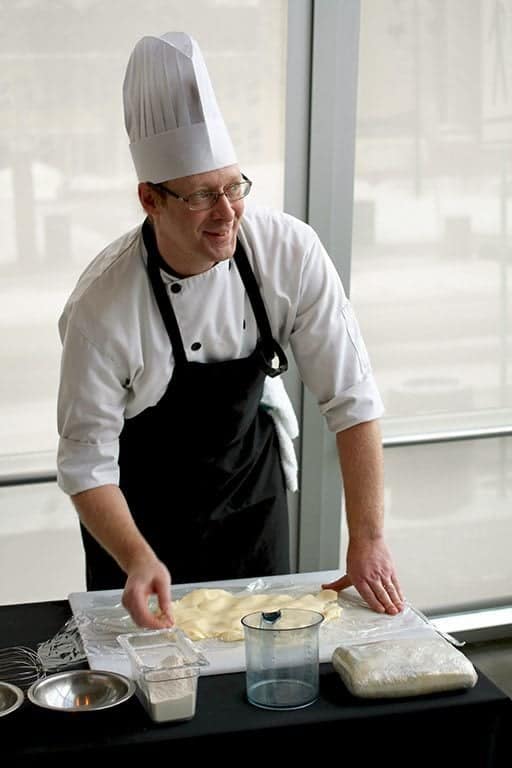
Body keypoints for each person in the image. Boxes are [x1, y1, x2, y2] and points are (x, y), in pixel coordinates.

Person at [57, 31, 404, 629]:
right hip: (141, 522)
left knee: (266, 672)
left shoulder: (288, 252)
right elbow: (86, 463)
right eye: (200, 197)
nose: (226, 213)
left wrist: (368, 537)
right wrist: (138, 559)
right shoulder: (103, 308)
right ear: (150, 198)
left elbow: (352, 398)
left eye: (234, 187)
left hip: (253, 499)